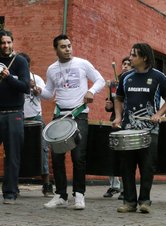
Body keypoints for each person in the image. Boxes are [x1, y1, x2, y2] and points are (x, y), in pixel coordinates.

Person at [36, 34, 105, 210]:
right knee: (57, 156)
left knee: (78, 156)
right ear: (56, 49)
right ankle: (61, 195)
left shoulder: (82, 63)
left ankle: (79, 195)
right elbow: (49, 93)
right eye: (63, 46)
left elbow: (100, 80)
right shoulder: (52, 69)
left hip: (79, 115)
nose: (67, 49)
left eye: (69, 45)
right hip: (60, 115)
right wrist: (37, 89)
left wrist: (91, 91)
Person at [112, 43, 166, 214]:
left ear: (144, 57)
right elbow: (118, 98)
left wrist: (159, 114)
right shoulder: (126, 77)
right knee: (127, 166)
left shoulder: (158, 77)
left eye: (133, 55)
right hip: (128, 129)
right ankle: (129, 202)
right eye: (130, 54)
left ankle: (145, 201)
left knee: (147, 166)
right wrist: (118, 116)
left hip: (150, 130)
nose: (130, 58)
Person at [0, 29, 30, 204]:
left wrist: (8, 77)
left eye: (9, 42)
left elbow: (25, 87)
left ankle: (10, 193)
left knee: (12, 156)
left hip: (14, 114)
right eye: (3, 42)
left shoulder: (19, 62)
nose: (6, 45)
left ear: (13, 42)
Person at [19, 52, 54, 197]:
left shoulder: (36, 78)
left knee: (43, 150)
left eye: (24, 65)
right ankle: (13, 185)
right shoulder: (14, 78)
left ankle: (46, 185)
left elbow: (47, 95)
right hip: (19, 118)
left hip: (36, 118)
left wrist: (36, 89)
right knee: (16, 151)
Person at [103, 56, 132, 200]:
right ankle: (114, 185)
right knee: (112, 153)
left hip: (128, 122)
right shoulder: (115, 83)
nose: (126, 66)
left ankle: (125, 187)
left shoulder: (132, 81)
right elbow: (110, 105)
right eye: (124, 64)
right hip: (115, 121)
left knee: (125, 155)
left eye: (129, 64)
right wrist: (108, 106)